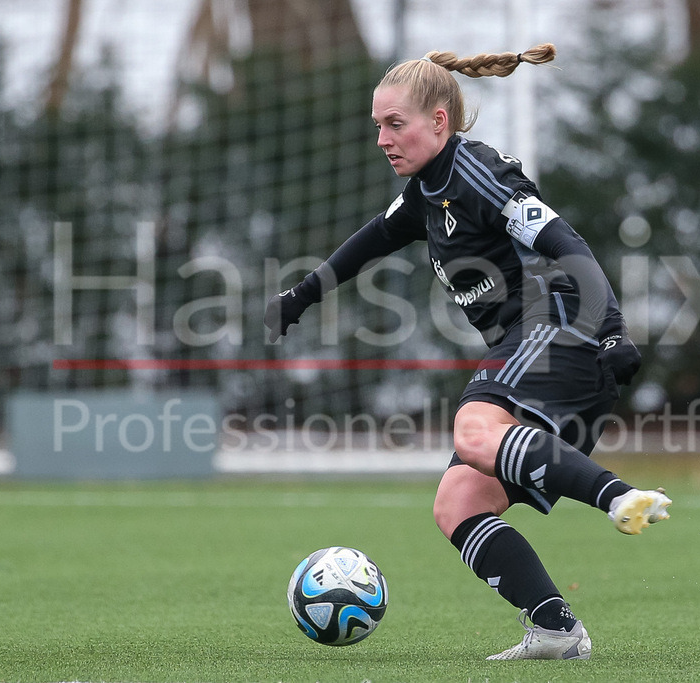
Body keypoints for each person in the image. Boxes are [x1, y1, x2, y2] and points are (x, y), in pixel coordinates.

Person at [265, 43, 672, 660]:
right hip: (541, 353)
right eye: (377, 124)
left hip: (563, 329)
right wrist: (302, 294)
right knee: (457, 502)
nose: (381, 138)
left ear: (439, 121)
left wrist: (611, 327)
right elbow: (370, 240)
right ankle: (558, 631)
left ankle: (617, 498)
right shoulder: (425, 192)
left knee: (475, 428)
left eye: (394, 124)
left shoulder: (476, 172)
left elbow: (566, 241)